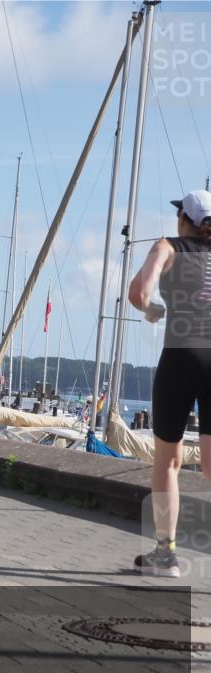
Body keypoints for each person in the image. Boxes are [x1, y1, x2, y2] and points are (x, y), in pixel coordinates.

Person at [128, 189, 211, 577]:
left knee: (168, 461)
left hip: (181, 355)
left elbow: (138, 293)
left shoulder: (168, 246)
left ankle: (166, 555)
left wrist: (153, 310)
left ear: (184, 221)